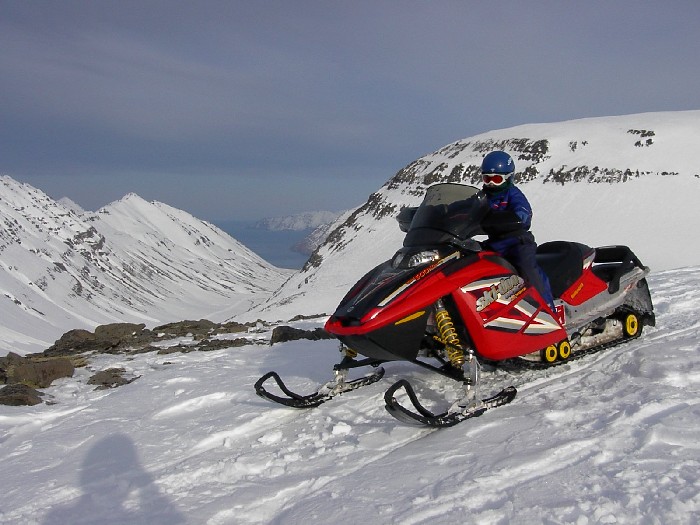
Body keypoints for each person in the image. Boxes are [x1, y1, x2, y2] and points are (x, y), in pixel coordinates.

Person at [480, 150, 555, 310]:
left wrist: (516, 218)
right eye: (487, 179)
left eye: (496, 179)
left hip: (516, 242)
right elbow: (466, 207)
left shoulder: (513, 194)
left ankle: (546, 306)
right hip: (494, 244)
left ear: (508, 178)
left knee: (527, 266)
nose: (491, 183)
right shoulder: (482, 197)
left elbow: (523, 211)